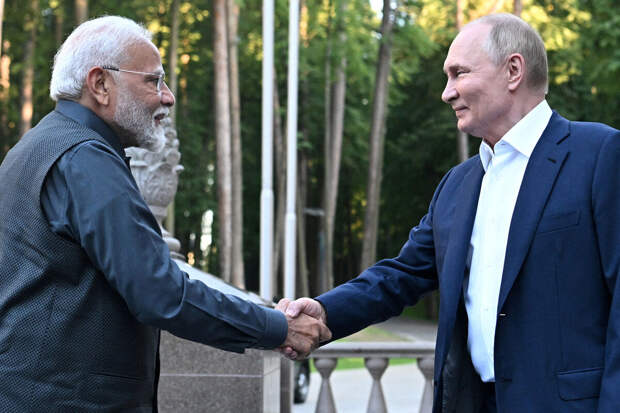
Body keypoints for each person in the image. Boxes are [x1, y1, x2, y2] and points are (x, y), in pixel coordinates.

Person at [278, 13, 620, 413]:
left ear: (513, 70)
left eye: (459, 73)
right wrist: (325, 312)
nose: (447, 93)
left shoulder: (600, 155)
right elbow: (401, 275)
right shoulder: (457, 184)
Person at [0, 16, 330, 411]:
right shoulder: (85, 159)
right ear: (100, 84)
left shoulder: (35, 147)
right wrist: (277, 326)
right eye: (154, 81)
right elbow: (160, 292)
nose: (168, 97)